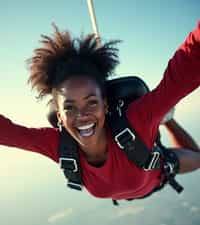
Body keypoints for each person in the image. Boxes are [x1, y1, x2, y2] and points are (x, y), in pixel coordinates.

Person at [0, 22, 200, 203]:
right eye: (69, 107)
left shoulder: (138, 120)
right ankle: (163, 117)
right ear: (59, 116)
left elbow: (187, 64)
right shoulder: (58, 144)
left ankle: (166, 119)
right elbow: (7, 132)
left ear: (105, 105)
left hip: (161, 171)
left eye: (91, 103)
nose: (82, 115)